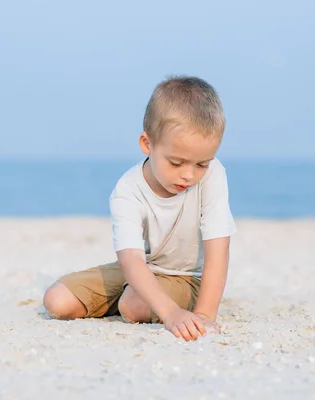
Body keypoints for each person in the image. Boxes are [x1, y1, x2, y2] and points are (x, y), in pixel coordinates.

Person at [43, 75, 237, 341]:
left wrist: (204, 314)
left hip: (185, 277)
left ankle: (140, 299)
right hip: (142, 267)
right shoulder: (128, 189)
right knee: (57, 300)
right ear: (148, 144)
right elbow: (131, 259)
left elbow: (218, 250)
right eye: (177, 162)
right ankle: (137, 297)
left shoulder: (214, 176)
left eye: (201, 164)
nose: (189, 175)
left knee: (133, 305)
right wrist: (169, 312)